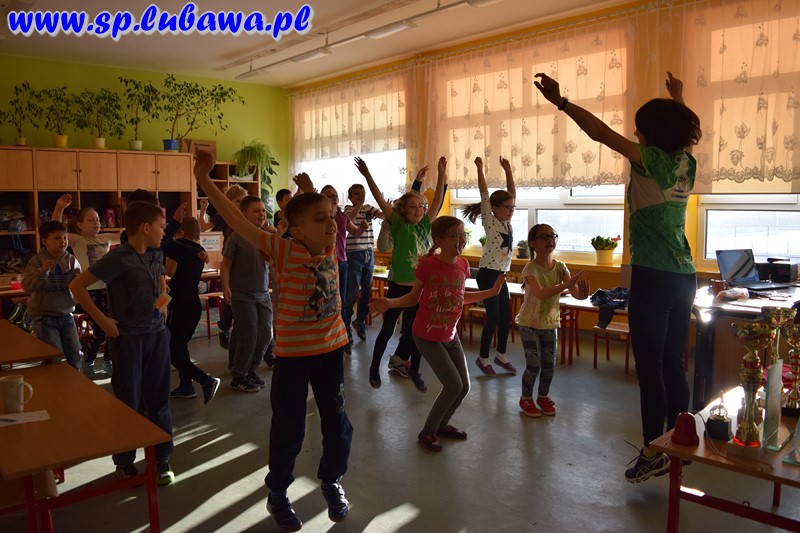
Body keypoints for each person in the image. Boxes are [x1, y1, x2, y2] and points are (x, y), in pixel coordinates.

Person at [534, 71, 700, 482]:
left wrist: (562, 103)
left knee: (650, 368)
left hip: (654, 276)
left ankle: (653, 451)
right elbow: (681, 130)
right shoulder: (686, 162)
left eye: (640, 129)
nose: (635, 134)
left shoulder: (651, 160)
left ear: (651, 134)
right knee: (673, 363)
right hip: (685, 275)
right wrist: (678, 98)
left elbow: (601, 134)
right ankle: (680, 444)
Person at [194, 148, 352, 531]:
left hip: (331, 351)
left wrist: (311, 192)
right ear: (297, 231)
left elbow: (317, 212)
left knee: (337, 425)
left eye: (331, 217)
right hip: (294, 357)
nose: (331, 225)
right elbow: (235, 219)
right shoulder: (282, 249)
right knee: (289, 429)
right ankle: (278, 492)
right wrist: (203, 179)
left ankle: (331, 480)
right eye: (321, 220)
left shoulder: (329, 248)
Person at [371, 216, 505, 452]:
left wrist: (491, 292)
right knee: (453, 385)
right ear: (439, 240)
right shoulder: (428, 265)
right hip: (427, 336)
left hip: (450, 335)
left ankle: (442, 425)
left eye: (463, 235)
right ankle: (428, 431)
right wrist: (390, 303)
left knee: (464, 387)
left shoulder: (463, 265)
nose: (461, 240)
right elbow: (413, 298)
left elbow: (460, 296)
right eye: (454, 235)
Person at [70, 201, 176, 486]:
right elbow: (77, 286)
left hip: (156, 336)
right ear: (146, 228)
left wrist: (163, 305)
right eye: (161, 226)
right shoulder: (118, 257)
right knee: (128, 402)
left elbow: (162, 283)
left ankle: (162, 458)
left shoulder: (157, 252)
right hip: (128, 340)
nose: (164, 231)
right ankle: (125, 461)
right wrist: (103, 321)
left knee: (159, 400)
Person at [356, 157, 446, 392]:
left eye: (422, 206)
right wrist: (367, 175)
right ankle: (374, 367)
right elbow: (378, 198)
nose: (420, 210)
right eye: (414, 206)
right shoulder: (397, 223)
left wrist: (441, 174)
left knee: (417, 332)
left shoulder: (425, 225)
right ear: (403, 210)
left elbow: (437, 200)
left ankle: (414, 369)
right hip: (398, 286)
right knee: (387, 329)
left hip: (419, 288)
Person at [515, 224, 589, 417]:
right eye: (544, 236)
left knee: (549, 364)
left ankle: (542, 396)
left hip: (549, 323)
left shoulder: (560, 267)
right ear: (533, 243)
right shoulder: (530, 269)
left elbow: (576, 294)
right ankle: (525, 398)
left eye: (552, 236)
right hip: (529, 323)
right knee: (534, 364)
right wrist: (566, 284)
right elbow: (540, 293)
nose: (550, 240)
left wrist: (583, 293)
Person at [461, 156, 517, 375]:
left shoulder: (507, 223)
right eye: (507, 207)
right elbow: (484, 194)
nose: (511, 210)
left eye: (512, 207)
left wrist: (508, 171)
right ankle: (483, 358)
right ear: (494, 208)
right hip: (487, 274)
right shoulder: (491, 221)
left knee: (506, 317)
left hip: (501, 275)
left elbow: (512, 193)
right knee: (493, 317)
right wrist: (480, 168)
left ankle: (501, 355)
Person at [53, 194, 117, 378]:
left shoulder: (106, 238)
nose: (96, 222)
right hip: (88, 292)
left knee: (113, 327)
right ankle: (88, 361)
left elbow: (131, 234)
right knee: (100, 331)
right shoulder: (78, 241)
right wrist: (60, 207)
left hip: (108, 290)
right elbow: (57, 228)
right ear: (80, 225)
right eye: (90, 220)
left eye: (97, 219)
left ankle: (108, 360)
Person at [164, 216, 222, 404]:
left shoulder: (180, 247)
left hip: (180, 304)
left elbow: (170, 272)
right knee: (180, 346)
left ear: (180, 233)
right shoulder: (200, 250)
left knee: (172, 350)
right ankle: (186, 385)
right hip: (193, 304)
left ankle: (205, 380)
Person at [221, 195, 274, 393]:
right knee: (249, 334)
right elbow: (226, 265)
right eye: (256, 211)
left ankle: (250, 370)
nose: (261, 214)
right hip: (242, 295)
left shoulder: (266, 237)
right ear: (244, 214)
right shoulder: (236, 237)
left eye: (263, 210)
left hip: (263, 294)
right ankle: (239, 376)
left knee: (266, 334)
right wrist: (226, 286)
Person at [22, 220, 83, 370]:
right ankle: (53, 383)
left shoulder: (71, 259)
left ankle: (74, 382)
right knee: (54, 356)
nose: (62, 241)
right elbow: (27, 286)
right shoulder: (37, 260)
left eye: (65, 237)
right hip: (44, 317)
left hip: (66, 315)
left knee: (75, 354)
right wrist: (42, 272)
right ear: (45, 241)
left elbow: (79, 283)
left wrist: (77, 282)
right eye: (56, 238)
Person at [199, 184, 248, 350]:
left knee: (241, 296)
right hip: (231, 256)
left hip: (246, 256)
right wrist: (203, 211)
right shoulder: (224, 214)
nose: (240, 204)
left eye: (243, 200)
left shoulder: (247, 214)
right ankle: (225, 326)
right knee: (231, 295)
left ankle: (231, 328)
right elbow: (203, 227)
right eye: (237, 201)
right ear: (228, 202)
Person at [320, 184, 367, 354]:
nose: (333, 199)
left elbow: (355, 232)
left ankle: (344, 333)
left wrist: (362, 228)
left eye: (335, 196)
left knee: (343, 300)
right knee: (328, 301)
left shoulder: (341, 216)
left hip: (342, 262)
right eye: (329, 196)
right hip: (325, 264)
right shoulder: (319, 217)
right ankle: (328, 334)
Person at [342, 184, 383, 345]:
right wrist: (358, 205)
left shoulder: (368, 208)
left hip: (369, 253)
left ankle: (360, 321)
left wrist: (388, 209)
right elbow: (348, 222)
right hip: (354, 254)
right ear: (350, 197)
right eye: (357, 194)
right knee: (352, 292)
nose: (361, 196)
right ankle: (345, 325)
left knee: (367, 291)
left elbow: (382, 215)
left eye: (363, 193)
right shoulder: (347, 209)